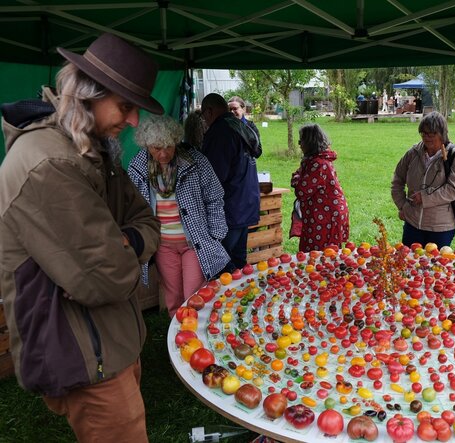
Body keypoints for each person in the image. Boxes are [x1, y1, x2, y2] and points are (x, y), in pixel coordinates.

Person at [0, 33, 162, 442]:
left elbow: (147, 220)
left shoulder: (91, 151)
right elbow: (105, 277)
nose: (132, 121)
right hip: (86, 353)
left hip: (111, 341)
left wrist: (125, 243)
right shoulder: (50, 162)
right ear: (87, 93)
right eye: (125, 106)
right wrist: (123, 251)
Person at [128, 115, 231, 317]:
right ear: (146, 145)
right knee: (173, 298)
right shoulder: (137, 168)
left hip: (194, 242)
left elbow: (215, 197)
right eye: (157, 148)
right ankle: (181, 341)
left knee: (194, 295)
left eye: (169, 146)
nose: (164, 153)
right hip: (163, 244)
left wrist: (216, 233)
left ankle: (198, 339)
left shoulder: (196, 162)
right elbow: (133, 207)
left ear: (176, 141)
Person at [201, 93, 260, 271]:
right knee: (239, 259)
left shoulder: (220, 132)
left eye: (204, 115)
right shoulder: (239, 125)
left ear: (209, 111)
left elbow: (214, 176)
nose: (204, 120)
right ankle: (245, 293)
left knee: (222, 262)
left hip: (230, 208)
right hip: (246, 201)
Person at [391, 111, 455, 248]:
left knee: (436, 267)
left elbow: (454, 189)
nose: (427, 138)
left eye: (431, 134)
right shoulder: (413, 153)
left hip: (440, 227)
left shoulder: (454, 156)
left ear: (442, 134)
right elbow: (397, 180)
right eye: (423, 134)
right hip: (412, 224)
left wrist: (424, 197)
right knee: (408, 265)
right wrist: (403, 206)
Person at [291, 124, 349, 252]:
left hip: (326, 215)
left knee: (321, 254)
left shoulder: (318, 163)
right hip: (323, 212)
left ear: (310, 142)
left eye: (301, 140)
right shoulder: (315, 160)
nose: (299, 144)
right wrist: (298, 176)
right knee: (322, 253)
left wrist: (296, 178)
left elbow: (301, 191)